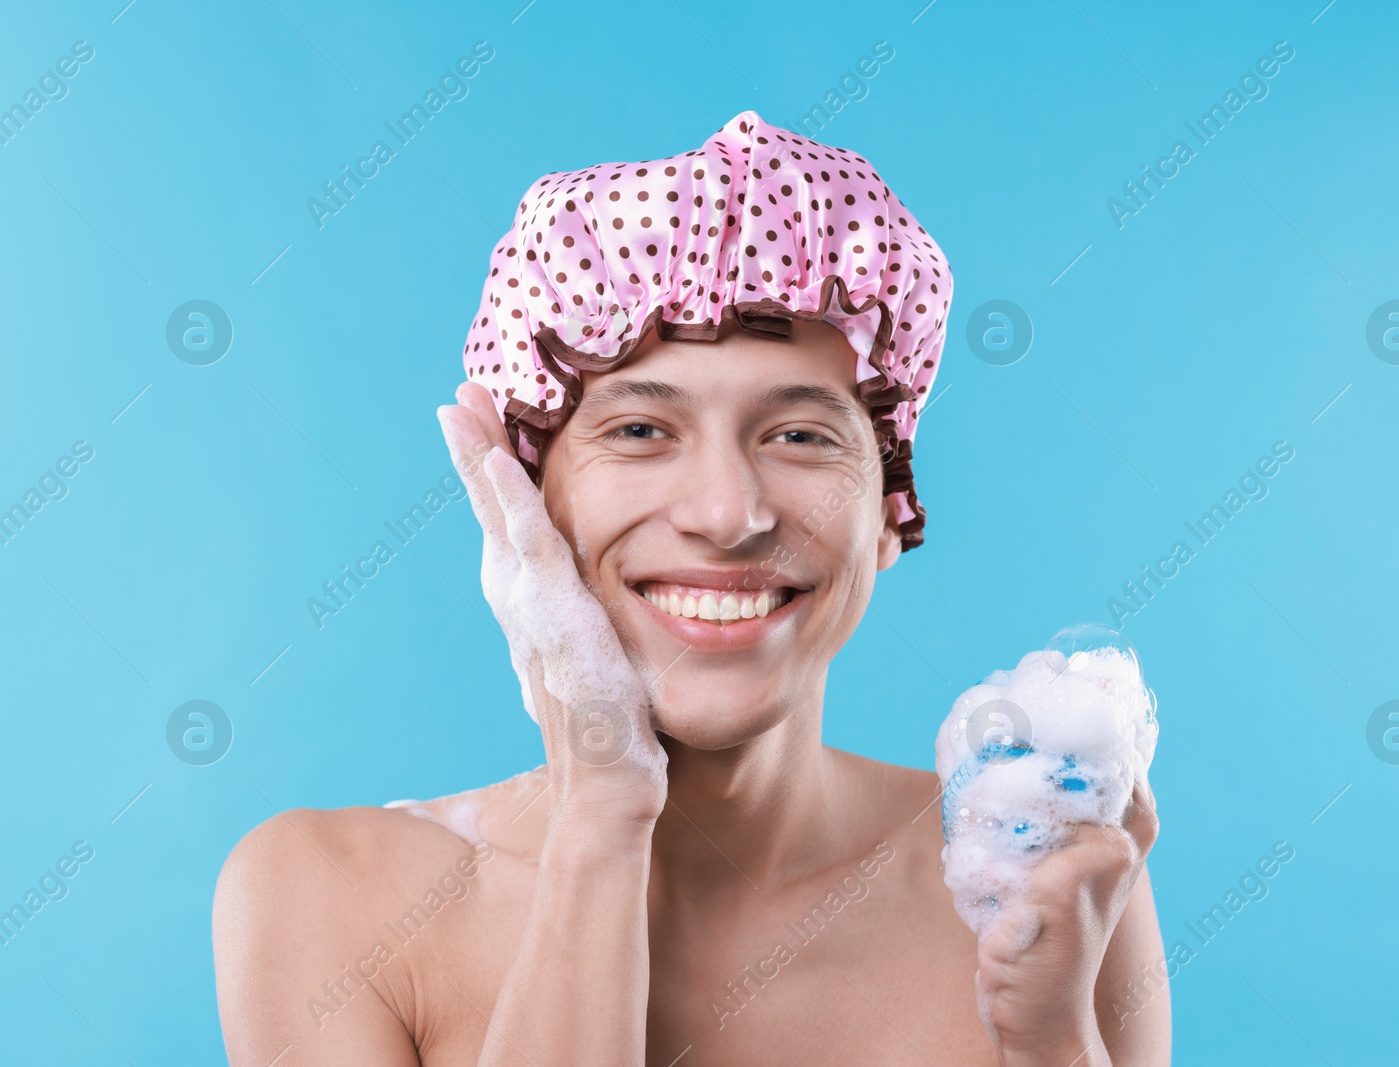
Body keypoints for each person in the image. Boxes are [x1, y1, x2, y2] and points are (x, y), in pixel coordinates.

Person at [213, 111, 1168, 1065]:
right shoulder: (326, 896)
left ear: (889, 512)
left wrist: (1051, 1041)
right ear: (526, 504)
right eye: (639, 431)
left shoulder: (1039, 884)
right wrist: (601, 819)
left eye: (799, 434)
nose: (727, 513)